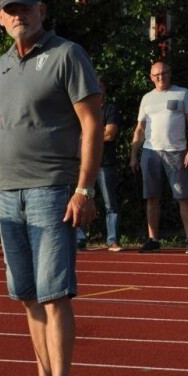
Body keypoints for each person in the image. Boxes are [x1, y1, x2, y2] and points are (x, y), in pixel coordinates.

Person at [0, 0, 102, 376]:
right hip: (9, 196)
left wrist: (84, 188)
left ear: (41, 10)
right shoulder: (1, 66)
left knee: (54, 297)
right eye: (9, 10)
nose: (18, 15)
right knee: (28, 298)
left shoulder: (68, 55)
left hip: (53, 190)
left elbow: (91, 123)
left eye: (25, 8)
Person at [129, 61, 188, 254]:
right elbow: (139, 129)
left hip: (176, 152)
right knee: (151, 196)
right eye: (157, 75)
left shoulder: (182, 93)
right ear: (151, 77)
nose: (161, 77)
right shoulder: (147, 98)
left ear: (170, 74)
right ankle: (153, 239)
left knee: (182, 196)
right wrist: (134, 155)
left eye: (164, 73)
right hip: (150, 152)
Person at [77, 78, 123, 251]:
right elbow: (75, 134)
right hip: (84, 164)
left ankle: (112, 240)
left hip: (105, 163)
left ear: (104, 88)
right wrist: (97, 132)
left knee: (110, 203)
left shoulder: (110, 108)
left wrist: (87, 134)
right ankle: (80, 239)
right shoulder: (82, 108)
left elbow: (110, 134)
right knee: (81, 198)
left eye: (100, 86)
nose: (96, 89)